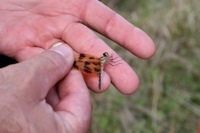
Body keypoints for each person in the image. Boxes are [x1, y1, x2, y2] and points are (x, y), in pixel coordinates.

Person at [0, 0, 155, 132]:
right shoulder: (97, 61)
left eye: (108, 58)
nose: (108, 57)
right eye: (107, 57)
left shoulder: (101, 62)